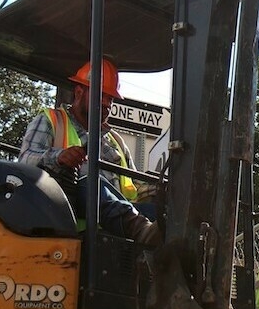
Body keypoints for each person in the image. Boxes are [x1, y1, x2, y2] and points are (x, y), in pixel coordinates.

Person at [18, 59, 159, 244]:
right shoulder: (52, 121)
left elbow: (136, 185)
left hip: (121, 213)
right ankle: (141, 231)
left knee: (165, 215)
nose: (108, 103)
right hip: (72, 214)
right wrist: (58, 156)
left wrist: (165, 188)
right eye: (102, 95)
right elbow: (25, 160)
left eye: (111, 98)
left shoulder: (114, 140)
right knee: (92, 184)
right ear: (79, 92)